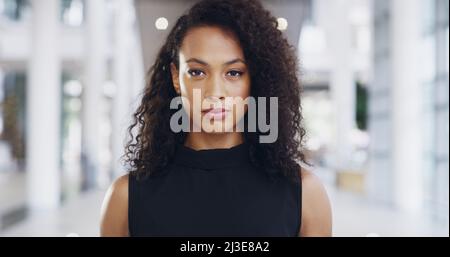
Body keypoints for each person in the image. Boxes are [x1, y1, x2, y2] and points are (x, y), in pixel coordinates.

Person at [100, 0, 331, 237]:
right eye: (197, 72)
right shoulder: (126, 197)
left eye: (233, 73)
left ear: (255, 80)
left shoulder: (303, 193)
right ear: (176, 78)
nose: (214, 92)